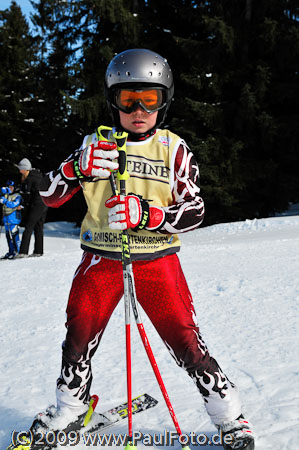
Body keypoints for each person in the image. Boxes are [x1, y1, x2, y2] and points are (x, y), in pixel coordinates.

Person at [29, 49, 255, 449]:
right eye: (126, 98)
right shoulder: (93, 144)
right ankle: (70, 406)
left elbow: (196, 209)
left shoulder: (173, 149)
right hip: (101, 259)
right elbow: (48, 195)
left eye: (148, 99)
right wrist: (76, 168)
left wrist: (149, 214)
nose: (137, 109)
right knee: (78, 333)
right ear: (112, 100)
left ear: (163, 101)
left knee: (186, 342)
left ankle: (229, 415)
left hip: (156, 260)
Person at [15, 158, 48, 258]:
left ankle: (23, 252)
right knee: (38, 227)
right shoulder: (36, 176)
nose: (19, 170)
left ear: (25, 169)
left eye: (20, 168)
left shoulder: (30, 179)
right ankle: (38, 251)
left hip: (37, 205)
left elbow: (29, 195)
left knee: (29, 227)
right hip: (44, 204)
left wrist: (23, 205)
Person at [0, 180, 22, 259]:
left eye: (11, 187)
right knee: (8, 236)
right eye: (8, 187)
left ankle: (18, 251)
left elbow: (14, 204)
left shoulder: (17, 196)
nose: (10, 189)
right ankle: (11, 251)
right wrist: (2, 193)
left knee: (15, 235)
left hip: (14, 218)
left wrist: (5, 201)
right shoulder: (5, 195)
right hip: (6, 219)